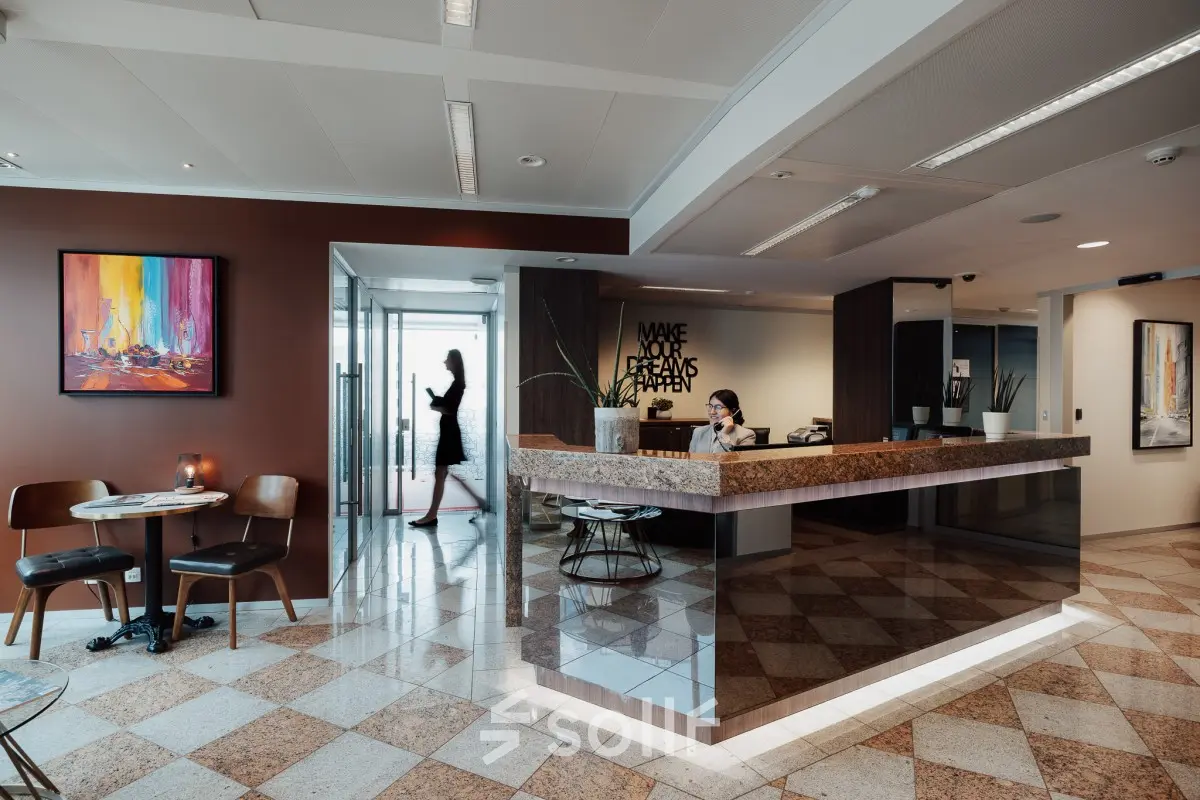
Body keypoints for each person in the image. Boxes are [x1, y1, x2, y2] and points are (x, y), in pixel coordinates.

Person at [409, 349, 486, 527]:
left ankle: (431, 515)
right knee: (443, 473)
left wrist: (436, 406)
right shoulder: (457, 383)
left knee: (440, 472)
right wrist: (439, 401)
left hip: (449, 433)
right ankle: (478, 501)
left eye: (447, 359)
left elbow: (449, 409)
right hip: (448, 431)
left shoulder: (458, 384)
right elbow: (449, 405)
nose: (444, 362)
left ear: (454, 361)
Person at [689, 389, 756, 452]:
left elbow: (739, 463)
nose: (712, 412)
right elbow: (690, 462)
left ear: (732, 411)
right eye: (710, 406)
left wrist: (724, 435)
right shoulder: (698, 432)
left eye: (718, 407)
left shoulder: (746, 435)